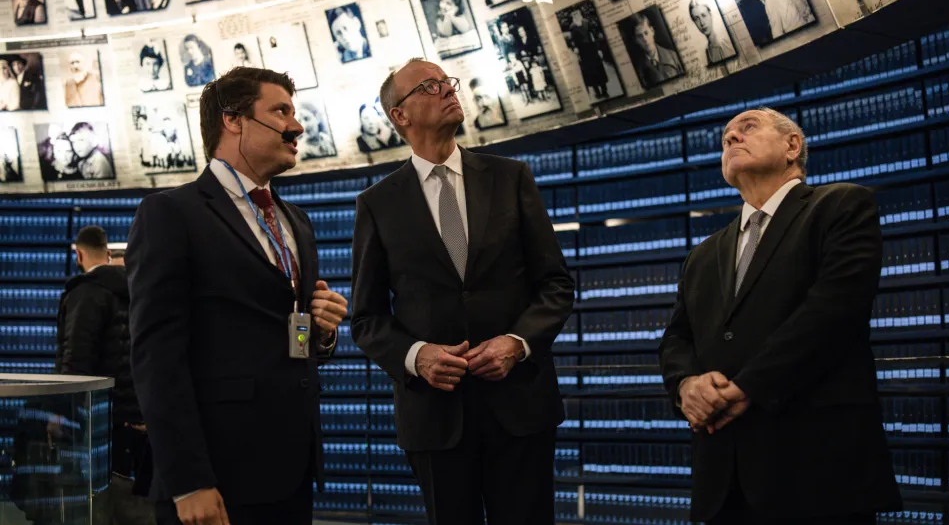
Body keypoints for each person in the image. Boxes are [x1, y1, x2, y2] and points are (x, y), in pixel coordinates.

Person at [354, 58, 575, 525]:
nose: (448, 90)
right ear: (400, 115)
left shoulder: (511, 177)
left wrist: (517, 344)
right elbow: (367, 318)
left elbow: (555, 283)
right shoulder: (377, 203)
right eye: (429, 87)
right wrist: (416, 356)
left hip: (520, 405)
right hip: (433, 415)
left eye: (447, 82)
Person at [659, 108, 902, 524]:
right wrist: (686, 384)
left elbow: (833, 311)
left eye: (747, 127)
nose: (732, 138)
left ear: (793, 146)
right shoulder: (702, 254)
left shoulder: (840, 206)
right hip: (724, 474)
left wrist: (749, 386)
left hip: (817, 467)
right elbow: (677, 338)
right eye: (725, 138)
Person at [127, 67, 348, 525]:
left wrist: (319, 335)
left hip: (292, 468)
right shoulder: (170, 213)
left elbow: (292, 338)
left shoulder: (297, 222)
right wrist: (188, 480)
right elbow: (156, 356)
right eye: (281, 111)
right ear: (234, 120)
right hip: (215, 477)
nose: (297, 125)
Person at [55, 226, 155, 525]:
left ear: (79, 254)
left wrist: (59, 415)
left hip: (99, 420)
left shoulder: (85, 292)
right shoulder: (143, 292)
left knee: (99, 504)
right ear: (109, 253)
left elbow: (76, 360)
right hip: (143, 417)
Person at [630, 11, 683, 88]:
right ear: (636, 40)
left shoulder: (673, 56)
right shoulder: (637, 69)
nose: (645, 39)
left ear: (652, 31)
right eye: (639, 36)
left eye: (646, 33)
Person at [567, 9, 609, 100]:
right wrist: (575, 48)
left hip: (592, 48)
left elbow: (594, 35)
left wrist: (598, 49)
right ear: (572, 17)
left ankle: (604, 91)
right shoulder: (572, 27)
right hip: (583, 52)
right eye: (574, 14)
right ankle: (597, 92)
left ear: (580, 14)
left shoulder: (587, 22)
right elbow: (572, 40)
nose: (576, 15)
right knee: (590, 72)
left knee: (599, 70)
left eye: (577, 13)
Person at [689, 0, 734, 65]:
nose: (702, 23)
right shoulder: (708, 49)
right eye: (696, 19)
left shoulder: (723, 43)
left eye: (704, 15)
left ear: (710, 15)